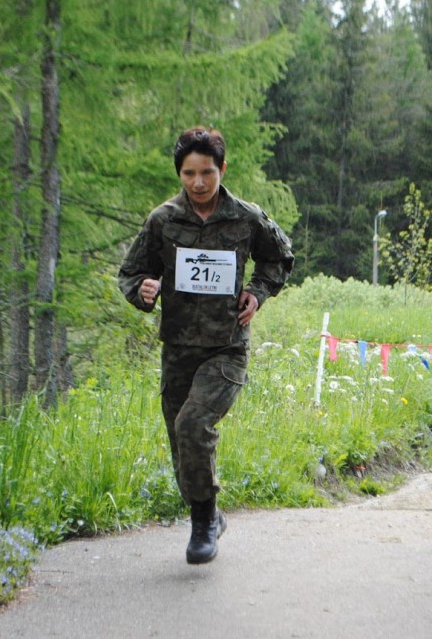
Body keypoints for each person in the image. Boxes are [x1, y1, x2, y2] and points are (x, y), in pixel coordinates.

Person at [118, 126, 294, 564]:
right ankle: (209, 515)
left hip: (226, 347)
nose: (198, 183)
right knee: (182, 445)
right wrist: (143, 290)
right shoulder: (162, 220)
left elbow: (279, 257)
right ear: (179, 173)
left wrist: (257, 292)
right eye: (189, 173)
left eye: (207, 173)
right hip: (178, 349)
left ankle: (202, 526)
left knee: (193, 425)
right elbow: (132, 272)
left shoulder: (246, 218)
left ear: (222, 169)